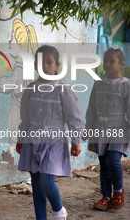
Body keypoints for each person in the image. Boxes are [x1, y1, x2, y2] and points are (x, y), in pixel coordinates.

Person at [16, 45, 84, 220]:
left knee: (46, 182)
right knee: (37, 187)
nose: (45, 66)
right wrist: (21, 138)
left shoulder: (63, 89)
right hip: (32, 142)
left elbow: (74, 118)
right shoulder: (30, 90)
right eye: (41, 62)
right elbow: (25, 118)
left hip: (54, 143)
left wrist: (76, 141)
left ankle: (58, 210)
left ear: (57, 65)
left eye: (49, 62)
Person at [83, 47, 130, 211]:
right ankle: (105, 196)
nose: (108, 64)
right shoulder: (98, 85)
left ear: (121, 64)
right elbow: (91, 109)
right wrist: (87, 128)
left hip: (119, 129)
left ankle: (118, 190)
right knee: (103, 164)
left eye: (112, 61)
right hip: (100, 129)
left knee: (112, 161)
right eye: (106, 60)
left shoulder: (126, 86)